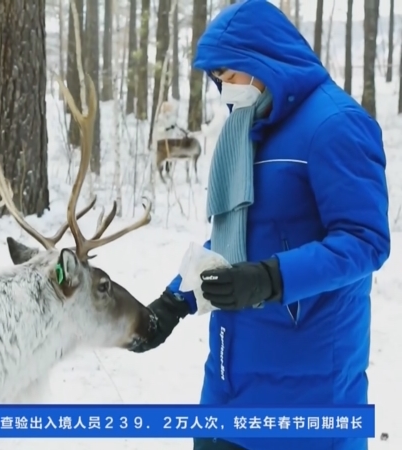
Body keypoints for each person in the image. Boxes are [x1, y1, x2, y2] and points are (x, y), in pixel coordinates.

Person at [130, 1, 391, 450]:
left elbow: (364, 241)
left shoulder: (337, 124)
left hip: (307, 395)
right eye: (217, 78)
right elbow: (237, 240)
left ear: (264, 59)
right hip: (228, 382)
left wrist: (272, 278)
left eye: (230, 75)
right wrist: (176, 299)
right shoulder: (249, 127)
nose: (223, 87)